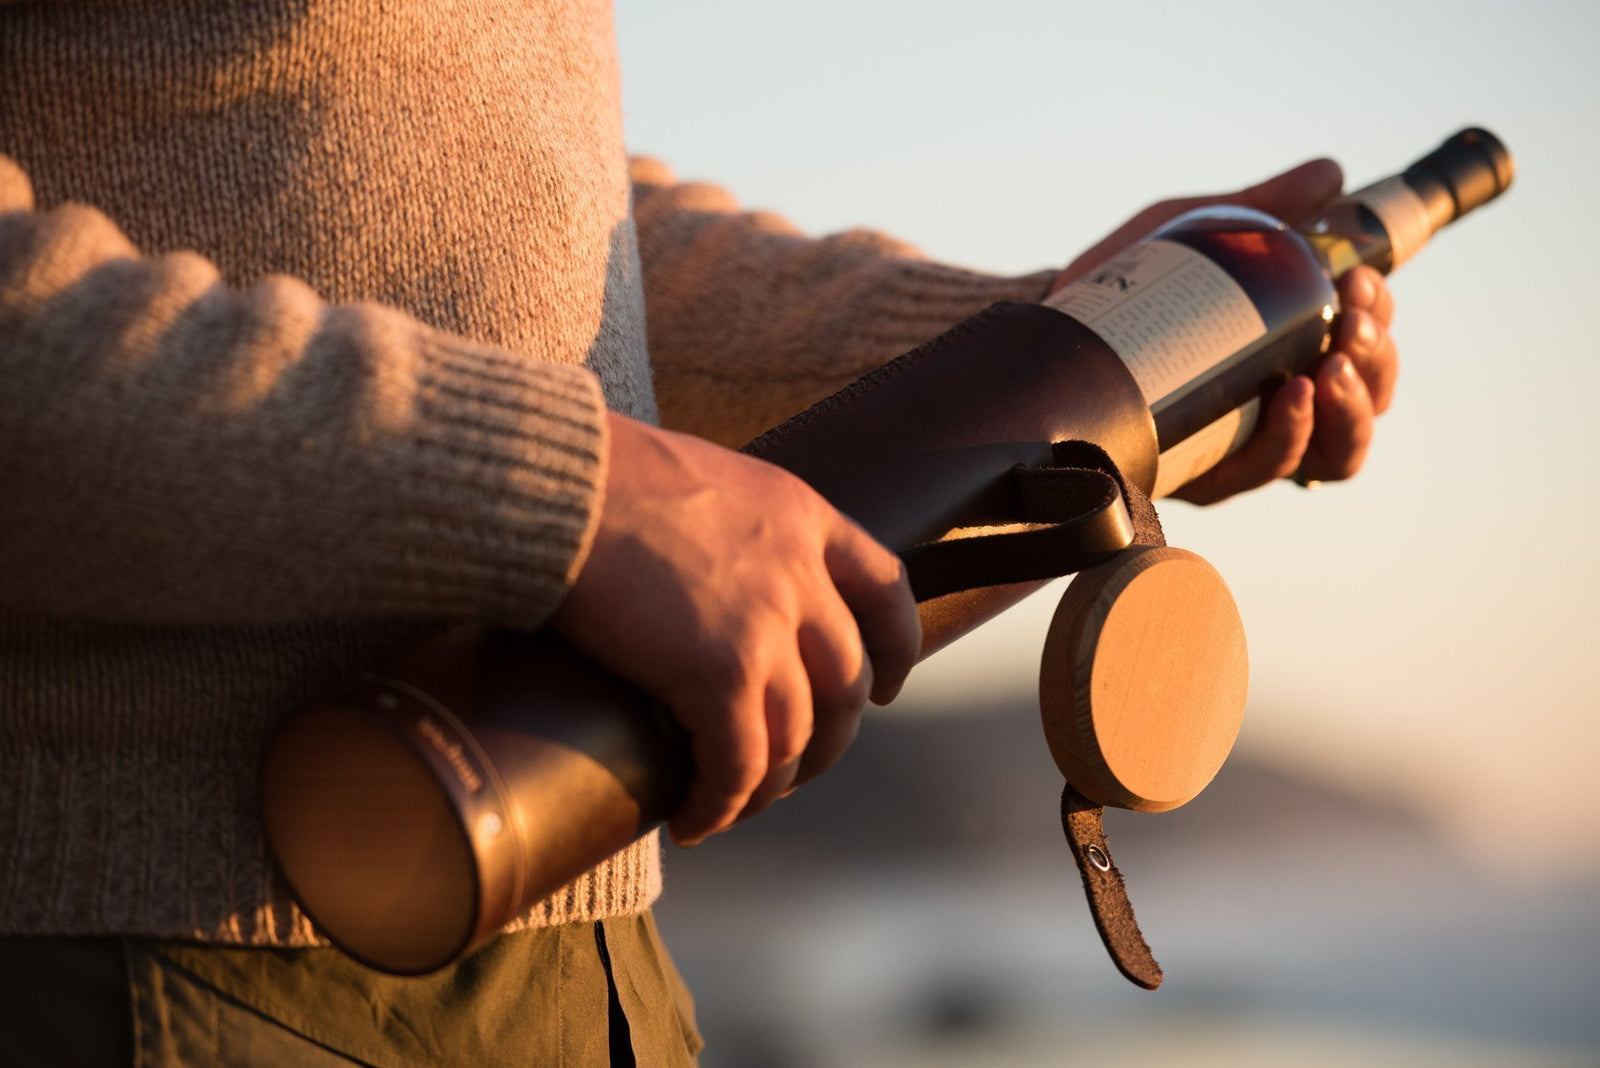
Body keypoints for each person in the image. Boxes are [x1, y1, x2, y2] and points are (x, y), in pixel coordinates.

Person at [0, 1, 1397, 1064]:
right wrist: (578, 494)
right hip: (144, 958)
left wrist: (1054, 346)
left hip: (585, 940)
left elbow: (537, 210)